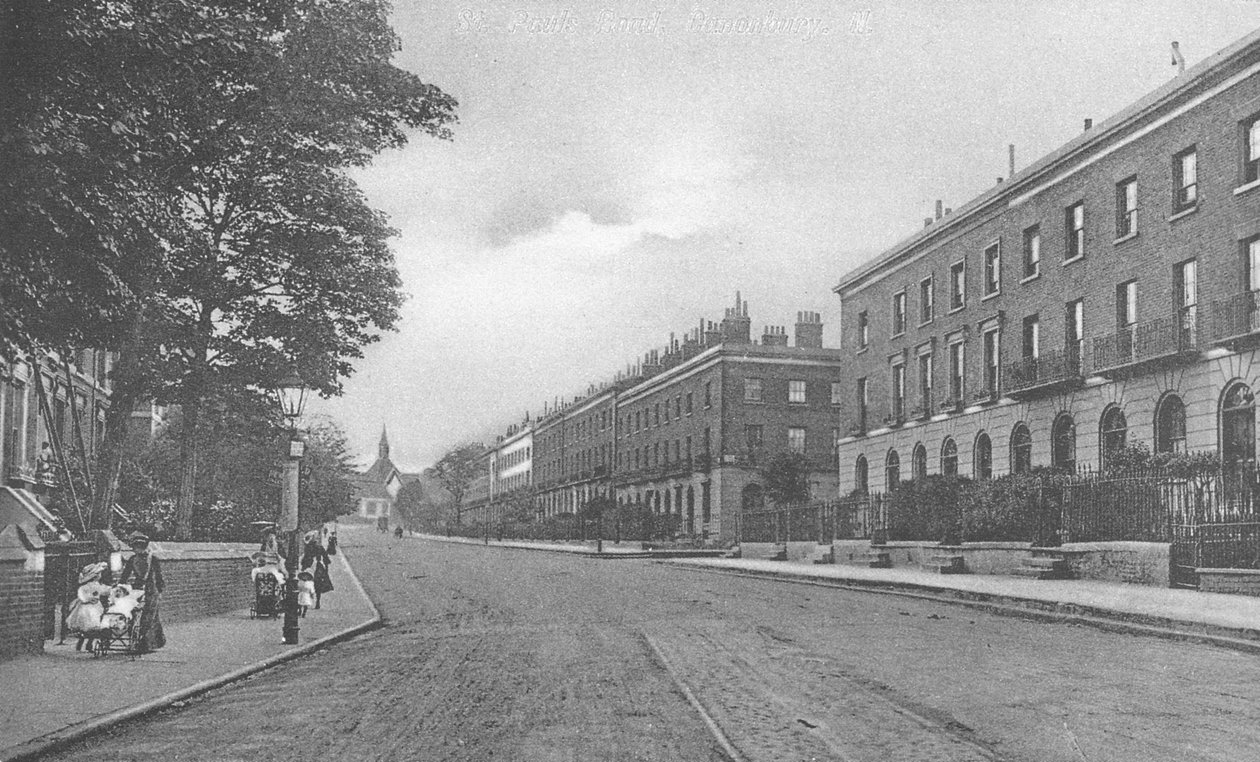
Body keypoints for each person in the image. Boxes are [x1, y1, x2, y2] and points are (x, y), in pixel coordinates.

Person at [118, 532, 166, 652]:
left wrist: (160, 590)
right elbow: (125, 575)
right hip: (137, 589)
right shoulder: (132, 559)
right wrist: (121, 585)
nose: (136, 551)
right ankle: (135, 640)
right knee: (134, 613)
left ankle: (147, 643)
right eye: (135, 548)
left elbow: (158, 576)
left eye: (138, 548)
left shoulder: (152, 559)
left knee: (149, 616)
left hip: (151, 590)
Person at [66, 561, 111, 651]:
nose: (100, 576)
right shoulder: (88, 586)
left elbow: (105, 591)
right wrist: (88, 599)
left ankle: (85, 643)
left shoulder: (97, 585)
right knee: (91, 625)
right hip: (87, 608)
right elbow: (81, 594)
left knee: (89, 626)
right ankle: (85, 643)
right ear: (95, 576)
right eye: (99, 574)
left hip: (94, 606)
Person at [300, 530, 333, 609]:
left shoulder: (308, 548)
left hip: (310, 566)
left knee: (306, 583)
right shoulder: (319, 547)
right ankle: (317, 602)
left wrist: (303, 567)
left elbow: (304, 559)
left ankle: (307, 601)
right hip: (317, 566)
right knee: (318, 585)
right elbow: (326, 559)